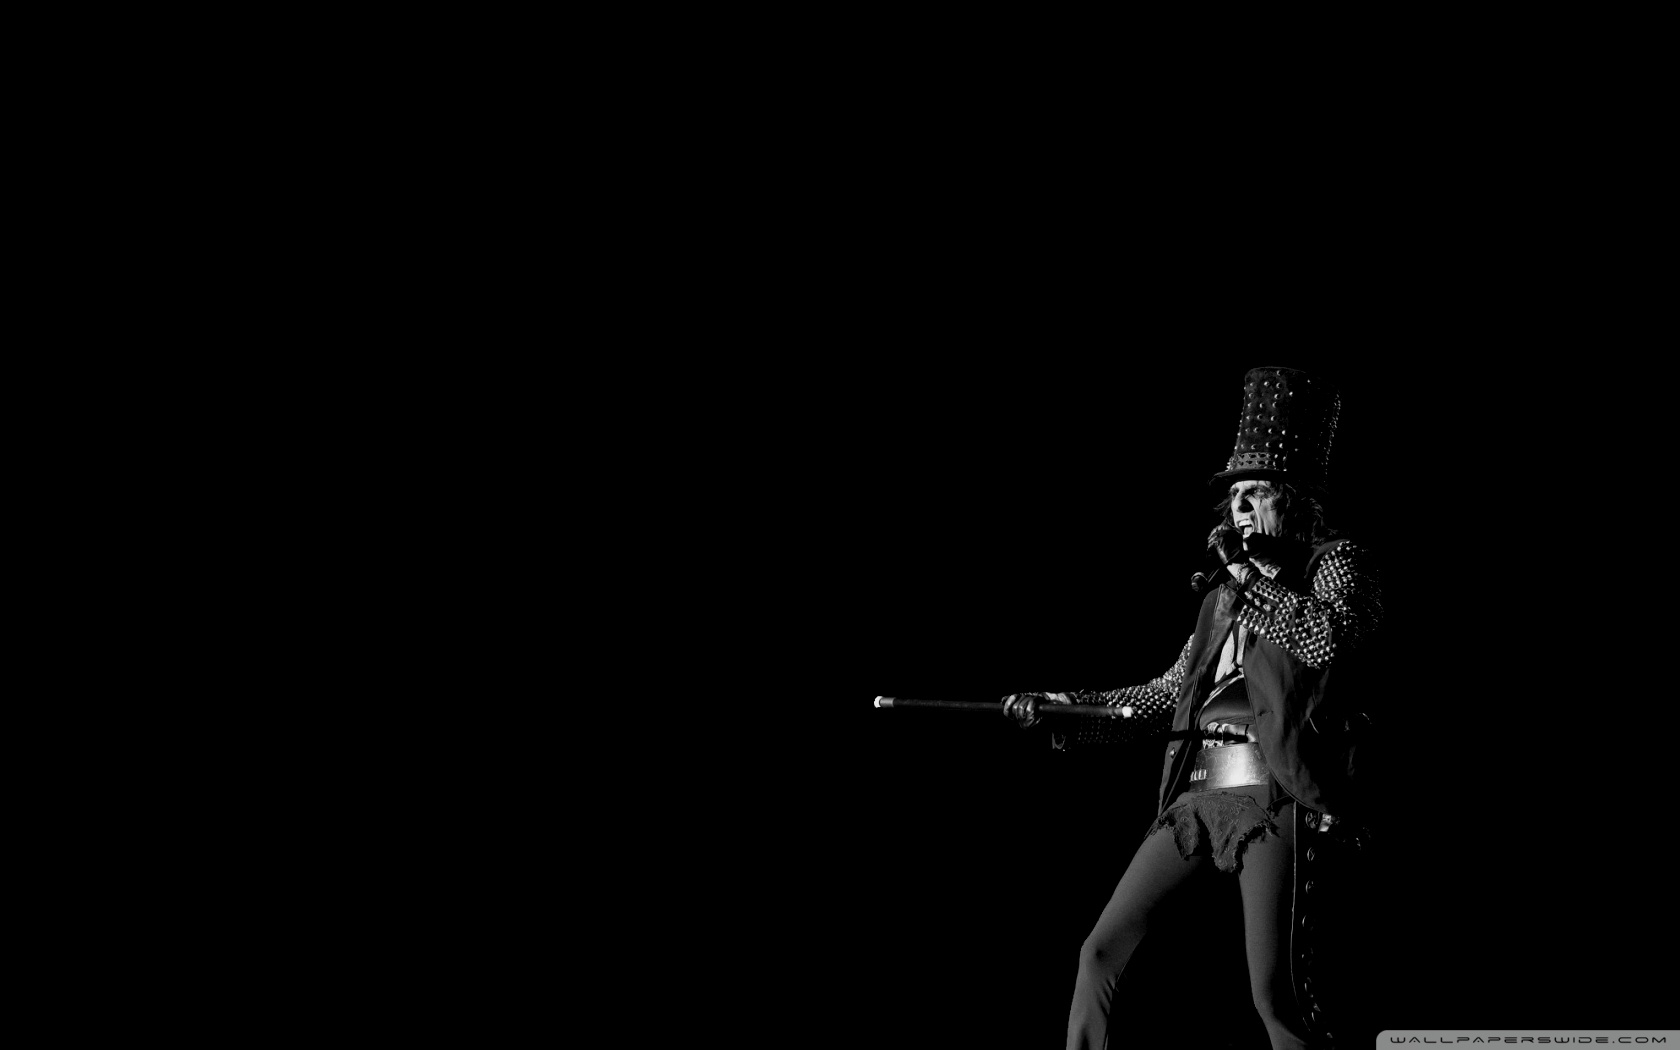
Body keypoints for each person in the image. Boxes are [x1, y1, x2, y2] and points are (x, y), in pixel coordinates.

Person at [1003, 366, 1383, 1050]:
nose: (1239, 508)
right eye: (1233, 497)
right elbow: (1164, 697)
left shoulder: (1334, 562)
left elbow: (1328, 641)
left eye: (1255, 493)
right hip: (1199, 792)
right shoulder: (1222, 598)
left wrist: (1253, 582)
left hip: (1276, 789)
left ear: (1293, 501)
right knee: (1099, 952)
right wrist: (1066, 711)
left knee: (1274, 996)